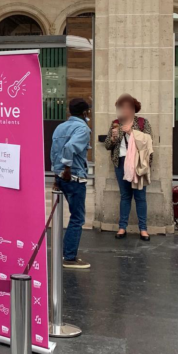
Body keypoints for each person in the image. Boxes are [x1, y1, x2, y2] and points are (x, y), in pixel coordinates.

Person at [104, 94, 153, 241]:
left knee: (140, 197)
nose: (124, 110)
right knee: (125, 196)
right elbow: (107, 145)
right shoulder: (115, 123)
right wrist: (113, 138)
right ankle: (122, 227)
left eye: (127, 107)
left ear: (133, 109)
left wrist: (131, 132)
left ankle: (143, 229)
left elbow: (148, 142)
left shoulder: (143, 123)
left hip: (137, 163)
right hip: (121, 162)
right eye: (122, 107)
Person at [51, 99, 92, 269]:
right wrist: (67, 168)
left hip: (62, 177)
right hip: (73, 177)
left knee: (72, 217)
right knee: (77, 218)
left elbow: (54, 152)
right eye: (88, 111)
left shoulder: (60, 127)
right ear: (84, 113)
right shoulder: (82, 128)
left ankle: (65, 252)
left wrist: (56, 176)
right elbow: (69, 147)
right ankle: (69, 257)